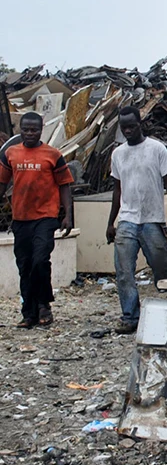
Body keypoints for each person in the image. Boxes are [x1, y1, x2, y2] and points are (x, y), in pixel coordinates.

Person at [105, 106, 167, 334]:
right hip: (127, 219)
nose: (128, 130)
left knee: (162, 267)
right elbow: (117, 190)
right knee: (124, 271)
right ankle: (130, 316)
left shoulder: (156, 149)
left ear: (141, 124)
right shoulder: (118, 154)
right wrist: (111, 222)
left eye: (131, 126)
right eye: (124, 127)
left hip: (152, 218)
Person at [0, 112, 74, 328]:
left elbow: (64, 185)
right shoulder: (10, 154)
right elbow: (2, 184)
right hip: (21, 218)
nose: (30, 133)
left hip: (45, 217)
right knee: (24, 265)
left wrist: (67, 215)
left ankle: (44, 304)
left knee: (40, 261)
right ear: (20, 130)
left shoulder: (52, 155)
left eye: (34, 130)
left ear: (41, 130)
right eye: (26, 130)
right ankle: (29, 312)